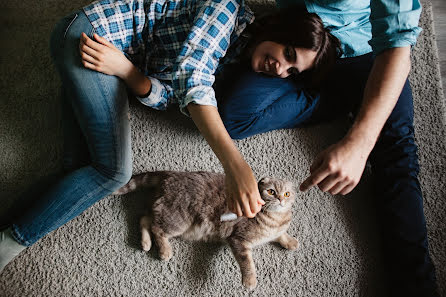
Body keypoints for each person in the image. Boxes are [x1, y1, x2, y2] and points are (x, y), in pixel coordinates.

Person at [0, 0, 340, 272]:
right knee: (113, 171)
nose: (280, 70)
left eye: (292, 71)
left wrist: (127, 71)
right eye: (288, 55)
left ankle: (7, 226)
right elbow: (191, 76)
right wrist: (236, 165)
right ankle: (9, 244)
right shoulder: (226, 8)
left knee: (78, 171)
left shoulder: (232, 62)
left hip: (113, 66)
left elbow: (169, 95)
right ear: (279, 30)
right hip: (93, 36)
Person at [214, 0, 440, 296]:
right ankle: (340, 100)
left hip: (366, 53)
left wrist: (360, 142)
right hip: (298, 42)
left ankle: (415, 288)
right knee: (233, 116)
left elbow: (399, 44)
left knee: (397, 156)